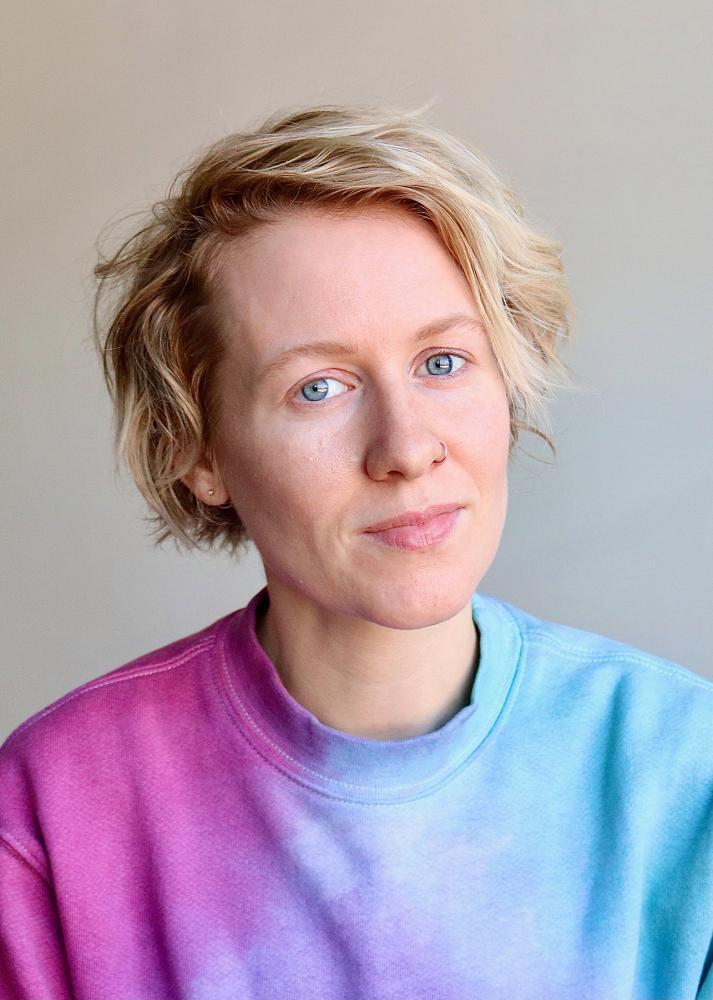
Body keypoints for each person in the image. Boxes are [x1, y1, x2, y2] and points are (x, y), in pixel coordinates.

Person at [0, 103, 710, 1000]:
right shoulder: (54, 811)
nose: (406, 448)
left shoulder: (683, 769)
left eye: (443, 362)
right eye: (319, 386)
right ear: (198, 448)